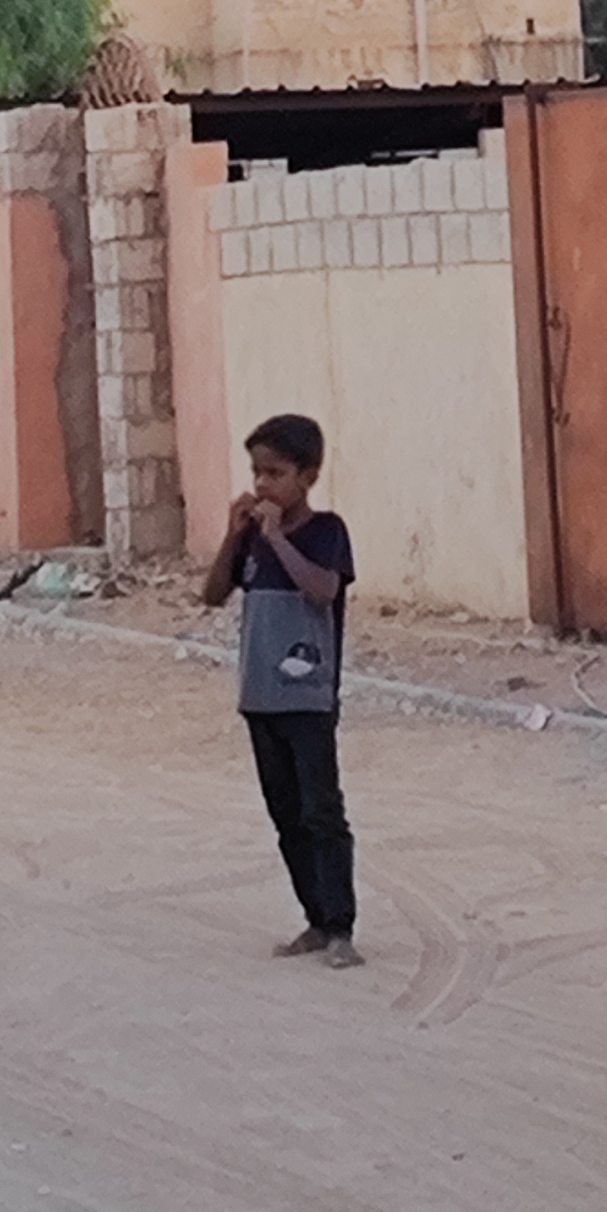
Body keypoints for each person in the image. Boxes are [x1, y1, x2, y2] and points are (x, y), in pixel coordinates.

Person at [200, 411, 360, 966]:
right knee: (285, 813)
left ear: (308, 476)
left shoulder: (326, 532)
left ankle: (340, 926)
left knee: (321, 811)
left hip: (309, 697)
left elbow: (321, 592)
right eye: (257, 472)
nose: (263, 484)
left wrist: (277, 540)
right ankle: (313, 918)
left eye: (275, 473)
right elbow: (213, 594)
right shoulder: (249, 540)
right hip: (260, 696)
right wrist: (234, 537)